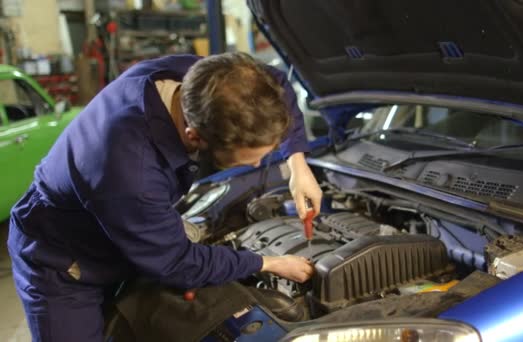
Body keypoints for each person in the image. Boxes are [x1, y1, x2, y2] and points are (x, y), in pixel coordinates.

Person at [7, 52, 323, 341]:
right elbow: (176, 262)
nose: (257, 165)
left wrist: (296, 162)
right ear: (194, 136)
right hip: (63, 262)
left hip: (121, 233)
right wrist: (267, 263)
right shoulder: (130, 168)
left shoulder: (200, 81)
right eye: (249, 159)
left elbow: (274, 80)